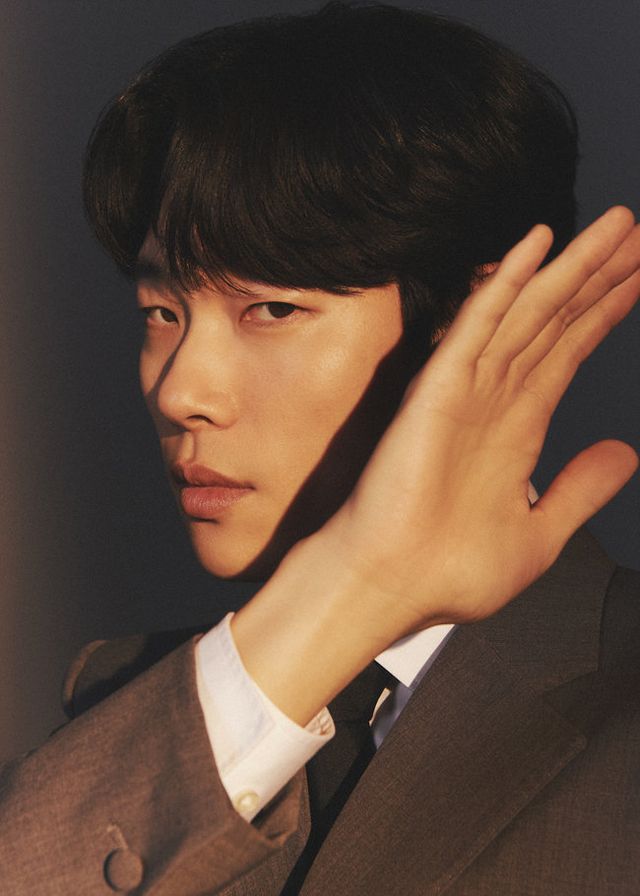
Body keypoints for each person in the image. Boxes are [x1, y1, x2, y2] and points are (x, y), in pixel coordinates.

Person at [1, 2, 639, 893]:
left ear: (481, 316)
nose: (180, 393)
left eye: (272, 308)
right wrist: (360, 586)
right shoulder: (135, 710)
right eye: (161, 312)